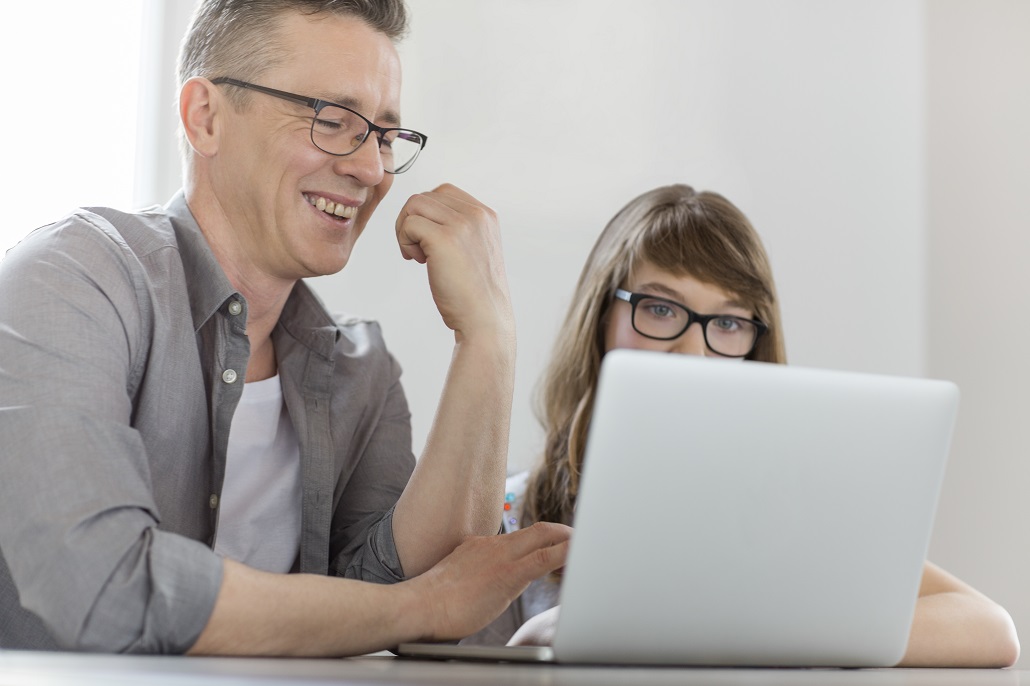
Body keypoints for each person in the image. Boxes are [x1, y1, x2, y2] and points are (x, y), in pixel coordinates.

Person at [0, 0, 569, 655]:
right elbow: (104, 592)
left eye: (384, 136)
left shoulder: (359, 373)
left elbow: (439, 621)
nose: (371, 169)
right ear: (204, 117)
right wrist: (419, 606)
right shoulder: (72, 282)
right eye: (332, 120)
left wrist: (488, 337)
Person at [463, 183, 1020, 669]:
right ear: (600, 319)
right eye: (660, 308)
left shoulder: (791, 515)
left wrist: (739, 635)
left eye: (727, 322)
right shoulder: (512, 517)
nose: (693, 351)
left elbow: (991, 628)